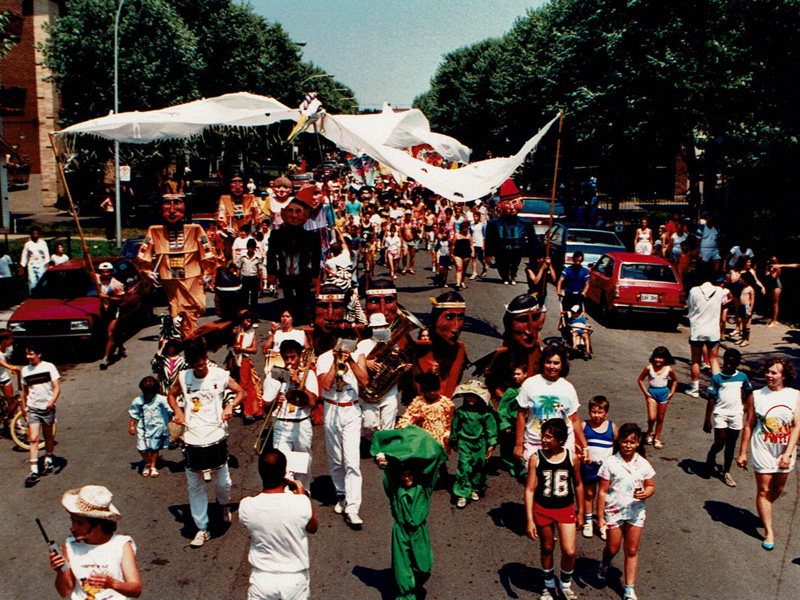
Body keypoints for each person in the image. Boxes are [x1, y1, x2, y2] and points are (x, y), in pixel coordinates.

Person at [167, 337, 245, 547]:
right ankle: (202, 528)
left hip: (216, 434)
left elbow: (240, 392)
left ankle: (223, 505)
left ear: (206, 358)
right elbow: (171, 395)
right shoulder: (184, 377)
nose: (198, 369)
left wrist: (229, 407)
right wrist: (178, 412)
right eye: (195, 366)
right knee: (195, 485)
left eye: (201, 364)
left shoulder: (219, 375)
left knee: (222, 481)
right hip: (192, 437)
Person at [370, 426, 447, 600]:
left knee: (423, 566)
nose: (407, 478)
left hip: (419, 531)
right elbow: (388, 470)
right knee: (402, 567)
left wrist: (418, 440)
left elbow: (436, 458)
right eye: (403, 475)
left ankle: (413, 582)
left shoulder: (424, 487)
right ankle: (406, 594)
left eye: (410, 474)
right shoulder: (395, 489)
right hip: (401, 530)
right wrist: (384, 453)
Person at [736, 357, 800, 550]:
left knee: (778, 489)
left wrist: (787, 453)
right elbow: (749, 425)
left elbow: (797, 427)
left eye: (774, 373)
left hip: (784, 449)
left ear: (784, 375)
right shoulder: (756, 395)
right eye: (768, 372)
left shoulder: (795, 395)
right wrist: (742, 452)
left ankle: (765, 509)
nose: (769, 376)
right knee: (763, 490)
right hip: (762, 447)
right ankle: (768, 531)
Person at [239, 449, 318, 600]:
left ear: (260, 473)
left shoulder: (247, 506)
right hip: (294, 579)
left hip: (262, 579)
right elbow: (312, 528)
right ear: (284, 473)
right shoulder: (300, 502)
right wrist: (303, 497)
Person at [137, 194, 216, 336]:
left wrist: (208, 272)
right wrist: (147, 270)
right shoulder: (155, 230)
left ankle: (186, 336)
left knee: (197, 306)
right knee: (176, 309)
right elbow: (144, 251)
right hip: (169, 277)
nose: (172, 210)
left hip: (192, 276)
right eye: (167, 203)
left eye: (177, 203)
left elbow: (206, 250)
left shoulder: (195, 229)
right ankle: (184, 339)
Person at [524, 419, 584, 600]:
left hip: (565, 509)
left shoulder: (571, 457)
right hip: (543, 509)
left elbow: (579, 485)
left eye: (548, 436)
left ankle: (565, 584)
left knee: (569, 551)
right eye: (543, 435)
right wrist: (529, 519)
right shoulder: (536, 457)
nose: (543, 439)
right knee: (547, 546)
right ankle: (548, 583)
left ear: (560, 439)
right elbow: (529, 489)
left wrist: (581, 512)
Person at [316, 327, 369, 528]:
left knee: (352, 461)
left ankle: (353, 508)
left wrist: (351, 361)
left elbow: (364, 381)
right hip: (331, 409)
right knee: (336, 458)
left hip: (352, 411)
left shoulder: (358, 356)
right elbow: (326, 385)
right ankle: (342, 494)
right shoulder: (323, 358)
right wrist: (335, 362)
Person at [596, 423, 656, 600]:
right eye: (625, 441)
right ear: (619, 441)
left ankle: (629, 588)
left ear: (638, 443)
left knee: (631, 550)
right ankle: (605, 563)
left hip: (636, 512)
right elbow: (602, 491)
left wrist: (647, 493)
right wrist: (600, 518)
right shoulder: (610, 463)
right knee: (613, 547)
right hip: (614, 511)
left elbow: (651, 485)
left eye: (632, 442)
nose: (628, 445)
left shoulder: (643, 464)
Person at [50, 485, 141, 599]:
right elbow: (64, 592)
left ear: (98, 524)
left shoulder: (121, 544)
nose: (72, 528)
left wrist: (113, 584)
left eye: (79, 523)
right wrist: (60, 570)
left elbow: (136, 590)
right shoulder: (70, 546)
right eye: (72, 521)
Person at [514, 346, 589, 467]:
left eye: (556, 363)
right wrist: (518, 445)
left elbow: (574, 419)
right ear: (543, 362)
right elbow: (521, 415)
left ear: (562, 365)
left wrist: (584, 446)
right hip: (535, 441)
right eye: (548, 362)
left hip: (562, 445)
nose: (552, 366)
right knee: (533, 482)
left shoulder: (567, 387)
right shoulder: (530, 384)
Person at [262, 339, 318, 488]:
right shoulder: (273, 377)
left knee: (302, 465)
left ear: (299, 357)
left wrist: (299, 382)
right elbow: (265, 408)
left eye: (293, 357)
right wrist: (276, 400)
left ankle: (304, 492)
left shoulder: (309, 375)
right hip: (281, 423)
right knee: (282, 465)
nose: (289, 362)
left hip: (301, 423)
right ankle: (286, 495)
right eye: (286, 358)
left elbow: (312, 403)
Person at [266, 196, 321, 324]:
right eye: (290, 211)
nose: (294, 216)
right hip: (285, 274)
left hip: (302, 274)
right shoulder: (276, 235)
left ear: (306, 214)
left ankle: (302, 316)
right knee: (288, 297)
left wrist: (315, 274)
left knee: (303, 296)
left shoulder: (311, 236)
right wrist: (271, 273)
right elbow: (271, 255)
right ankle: (290, 317)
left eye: (298, 211)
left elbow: (316, 256)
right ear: (283, 213)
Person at [703, 348, 752, 487]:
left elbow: (749, 392)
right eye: (726, 362)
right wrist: (707, 419)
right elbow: (711, 399)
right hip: (721, 413)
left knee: (731, 444)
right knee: (720, 441)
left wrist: (747, 407)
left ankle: (726, 471)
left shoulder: (742, 377)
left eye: (732, 363)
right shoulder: (717, 378)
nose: (729, 365)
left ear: (737, 363)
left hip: (736, 414)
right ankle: (712, 454)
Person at [450, 380, 498, 508]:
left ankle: (475, 488)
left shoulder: (485, 413)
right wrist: (453, 440)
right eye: (468, 396)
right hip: (465, 442)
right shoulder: (460, 412)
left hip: (480, 443)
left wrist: (491, 444)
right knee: (464, 466)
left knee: (479, 465)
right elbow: (455, 427)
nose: (471, 399)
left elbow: (491, 429)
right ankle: (462, 493)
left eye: (474, 396)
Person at [484, 179, 540, 285]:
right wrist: (488, 253)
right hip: (500, 249)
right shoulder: (493, 223)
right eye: (507, 204)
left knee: (515, 264)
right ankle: (505, 277)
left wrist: (537, 253)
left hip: (517, 249)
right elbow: (489, 240)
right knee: (502, 264)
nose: (512, 208)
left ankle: (513, 275)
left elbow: (533, 240)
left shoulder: (526, 223)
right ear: (500, 205)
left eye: (515, 203)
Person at [412, 292, 467, 398]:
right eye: (449, 317)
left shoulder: (459, 351)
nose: (456, 327)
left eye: (460, 318)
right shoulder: (418, 349)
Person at [22, 343, 60, 487]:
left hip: (47, 407)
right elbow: (26, 390)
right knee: (33, 438)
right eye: (27, 354)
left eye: (31, 354)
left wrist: (52, 401)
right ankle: (33, 471)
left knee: (49, 436)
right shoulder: (25, 370)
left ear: (39, 354)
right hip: (33, 408)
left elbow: (56, 387)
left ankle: (48, 460)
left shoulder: (49, 367)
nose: (29, 357)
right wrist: (27, 405)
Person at [685, 277, 728, 398]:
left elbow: (690, 306)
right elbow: (725, 299)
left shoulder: (694, 291)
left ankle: (694, 389)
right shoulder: (720, 291)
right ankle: (717, 389)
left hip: (697, 330)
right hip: (713, 331)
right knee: (714, 360)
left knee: (695, 360)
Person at [581, 396, 616, 540]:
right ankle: (588, 521)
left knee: (605, 496)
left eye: (600, 412)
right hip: (589, 467)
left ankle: (603, 522)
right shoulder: (584, 425)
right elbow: (577, 444)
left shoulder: (612, 427)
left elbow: (618, 444)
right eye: (593, 412)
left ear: (606, 413)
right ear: (589, 412)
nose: (596, 415)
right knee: (589, 494)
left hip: (606, 469)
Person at [128, 376, 172, 478]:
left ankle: (152, 466)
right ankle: (147, 463)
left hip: (157, 427)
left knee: (154, 448)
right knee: (142, 448)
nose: (148, 395)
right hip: (143, 428)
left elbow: (170, 409)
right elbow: (134, 414)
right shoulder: (138, 401)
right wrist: (131, 426)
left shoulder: (161, 399)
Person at [398, 372, 455, 449]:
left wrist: (448, 435)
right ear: (424, 390)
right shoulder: (417, 403)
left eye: (434, 390)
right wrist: (413, 421)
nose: (431, 393)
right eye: (428, 390)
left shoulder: (446, 404)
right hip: (421, 440)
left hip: (439, 440)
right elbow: (405, 420)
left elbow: (450, 422)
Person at [637, 346, 678, 449]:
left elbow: (675, 380)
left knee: (660, 418)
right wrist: (646, 392)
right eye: (656, 357)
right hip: (652, 393)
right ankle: (650, 432)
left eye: (661, 358)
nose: (658, 360)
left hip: (664, 393)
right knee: (652, 417)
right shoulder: (649, 368)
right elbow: (640, 380)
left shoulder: (668, 369)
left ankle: (657, 438)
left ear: (665, 359)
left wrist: (672, 392)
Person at [216, 172, 264, 259]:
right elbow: (221, 217)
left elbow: (259, 216)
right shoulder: (224, 199)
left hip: (248, 236)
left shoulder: (250, 198)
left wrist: (253, 227)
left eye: (240, 182)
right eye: (234, 182)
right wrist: (227, 229)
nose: (237, 186)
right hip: (230, 237)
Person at [231, 310, 262, 424]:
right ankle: (237, 407)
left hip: (244, 359)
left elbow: (254, 349)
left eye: (250, 321)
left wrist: (242, 349)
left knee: (246, 384)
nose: (248, 323)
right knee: (234, 383)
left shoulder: (252, 332)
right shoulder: (236, 329)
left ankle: (249, 412)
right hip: (233, 359)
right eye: (247, 320)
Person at [97, 262, 126, 370]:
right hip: (102, 310)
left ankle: (106, 358)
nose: (105, 274)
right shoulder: (97, 280)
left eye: (107, 271)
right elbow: (87, 269)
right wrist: (86, 254)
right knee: (109, 333)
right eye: (103, 272)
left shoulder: (116, 284)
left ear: (111, 272)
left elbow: (121, 299)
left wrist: (107, 297)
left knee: (110, 333)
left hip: (114, 309)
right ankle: (120, 345)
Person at [237, 239, 262, 318]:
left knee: (254, 298)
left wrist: (261, 281)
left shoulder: (258, 257)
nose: (250, 250)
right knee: (245, 297)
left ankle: (254, 315)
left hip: (254, 278)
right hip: (245, 278)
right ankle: (245, 314)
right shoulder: (242, 257)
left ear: (255, 248)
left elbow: (260, 270)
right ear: (247, 248)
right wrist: (237, 279)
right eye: (249, 248)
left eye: (252, 248)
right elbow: (239, 268)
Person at [20, 226, 50, 291]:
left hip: (41, 263)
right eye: (34, 234)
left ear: (39, 234)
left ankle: (43, 295)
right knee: (32, 281)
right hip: (31, 264)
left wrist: (47, 264)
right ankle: (32, 296)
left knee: (42, 280)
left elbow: (46, 254)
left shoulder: (43, 243)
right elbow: (24, 256)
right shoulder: (27, 244)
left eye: (36, 234)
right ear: (31, 234)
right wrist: (22, 267)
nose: (35, 235)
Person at [451, 221, 474, 289]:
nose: (466, 229)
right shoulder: (457, 235)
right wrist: (452, 254)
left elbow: (471, 244)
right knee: (459, 268)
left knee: (464, 269)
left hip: (467, 253)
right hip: (458, 253)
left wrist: (472, 252)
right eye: (465, 228)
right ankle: (457, 283)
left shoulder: (469, 235)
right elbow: (453, 245)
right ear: (462, 228)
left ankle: (462, 282)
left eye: (467, 228)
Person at [735, 271, 756, 347]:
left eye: (742, 279)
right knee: (742, 323)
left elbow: (752, 300)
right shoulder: (742, 287)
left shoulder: (750, 289)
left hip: (746, 307)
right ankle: (743, 338)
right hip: (741, 306)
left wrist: (750, 310)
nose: (740, 280)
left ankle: (747, 340)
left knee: (747, 324)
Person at [0, 329, 19, 405]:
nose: (12, 340)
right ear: (4, 340)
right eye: (11, 338)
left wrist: (11, 366)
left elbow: (6, 360)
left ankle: (14, 416)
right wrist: (9, 367)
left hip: (5, 378)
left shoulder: (8, 350)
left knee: (12, 401)